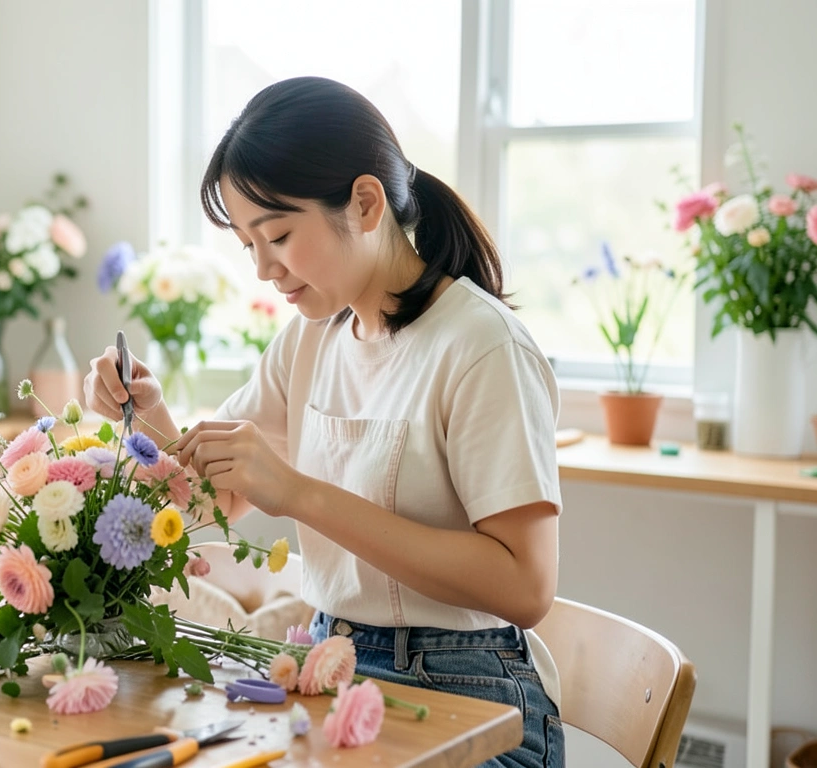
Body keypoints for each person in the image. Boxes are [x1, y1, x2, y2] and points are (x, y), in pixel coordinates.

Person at [85, 76, 563, 767]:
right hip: (329, 669)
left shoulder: (481, 346)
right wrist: (146, 413)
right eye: (248, 244)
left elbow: (525, 587)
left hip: (470, 693)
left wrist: (300, 495)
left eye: (278, 235)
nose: (263, 268)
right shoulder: (311, 340)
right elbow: (209, 501)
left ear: (365, 203)